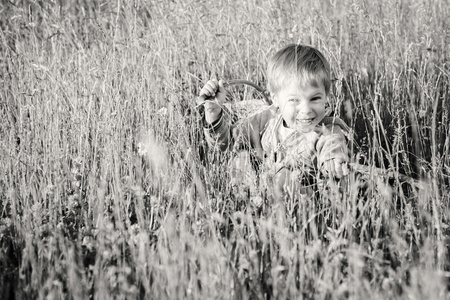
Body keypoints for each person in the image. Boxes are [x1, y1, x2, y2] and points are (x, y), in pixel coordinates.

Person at [196, 44, 350, 201]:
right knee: (240, 157)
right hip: (259, 192)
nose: (306, 109)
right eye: (294, 100)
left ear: (326, 96)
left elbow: (334, 147)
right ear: (275, 98)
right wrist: (213, 112)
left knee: (285, 176)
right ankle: (244, 203)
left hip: (299, 203)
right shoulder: (267, 119)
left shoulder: (327, 131)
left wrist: (333, 162)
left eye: (315, 98)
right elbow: (226, 144)